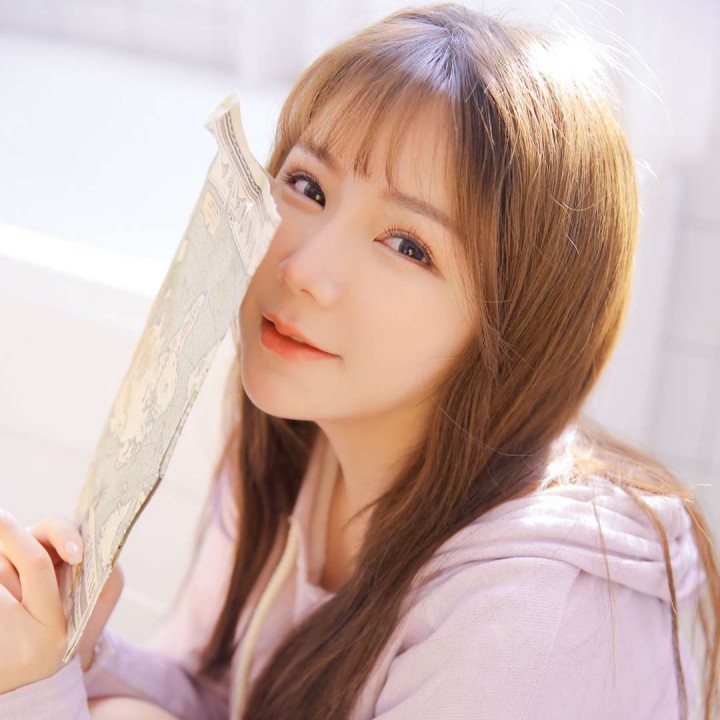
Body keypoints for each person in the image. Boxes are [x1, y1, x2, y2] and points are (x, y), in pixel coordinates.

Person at [0, 3, 717, 719]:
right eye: (308, 187)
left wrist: (38, 693)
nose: (303, 269)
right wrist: (77, 653)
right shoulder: (302, 446)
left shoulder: (535, 627)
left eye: (408, 246)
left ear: (521, 324)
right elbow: (229, 698)